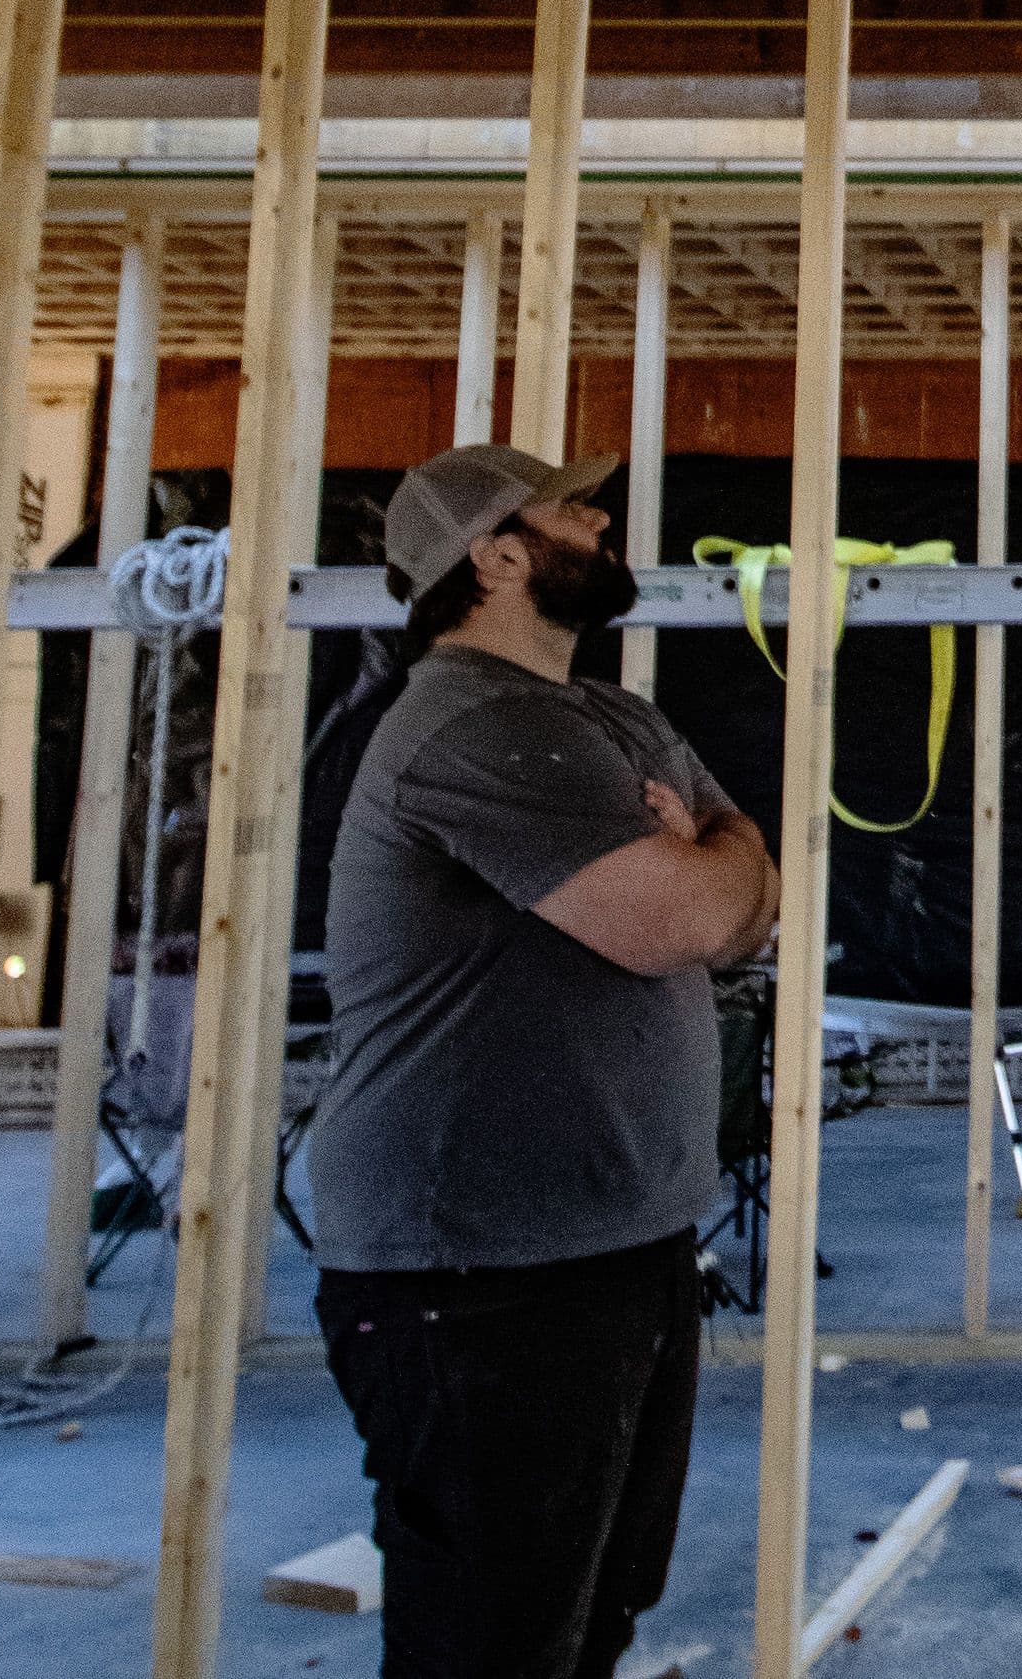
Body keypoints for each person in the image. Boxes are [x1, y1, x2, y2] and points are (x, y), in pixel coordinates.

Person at [309, 444, 782, 1679]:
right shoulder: (474, 726)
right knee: (491, 1643)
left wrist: (717, 859)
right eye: (568, 506)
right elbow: (690, 918)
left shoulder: (611, 716)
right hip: (476, 1277)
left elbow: (748, 890)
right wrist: (710, 866)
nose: (601, 515)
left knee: (595, 1613)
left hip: (617, 1249)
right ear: (498, 556)